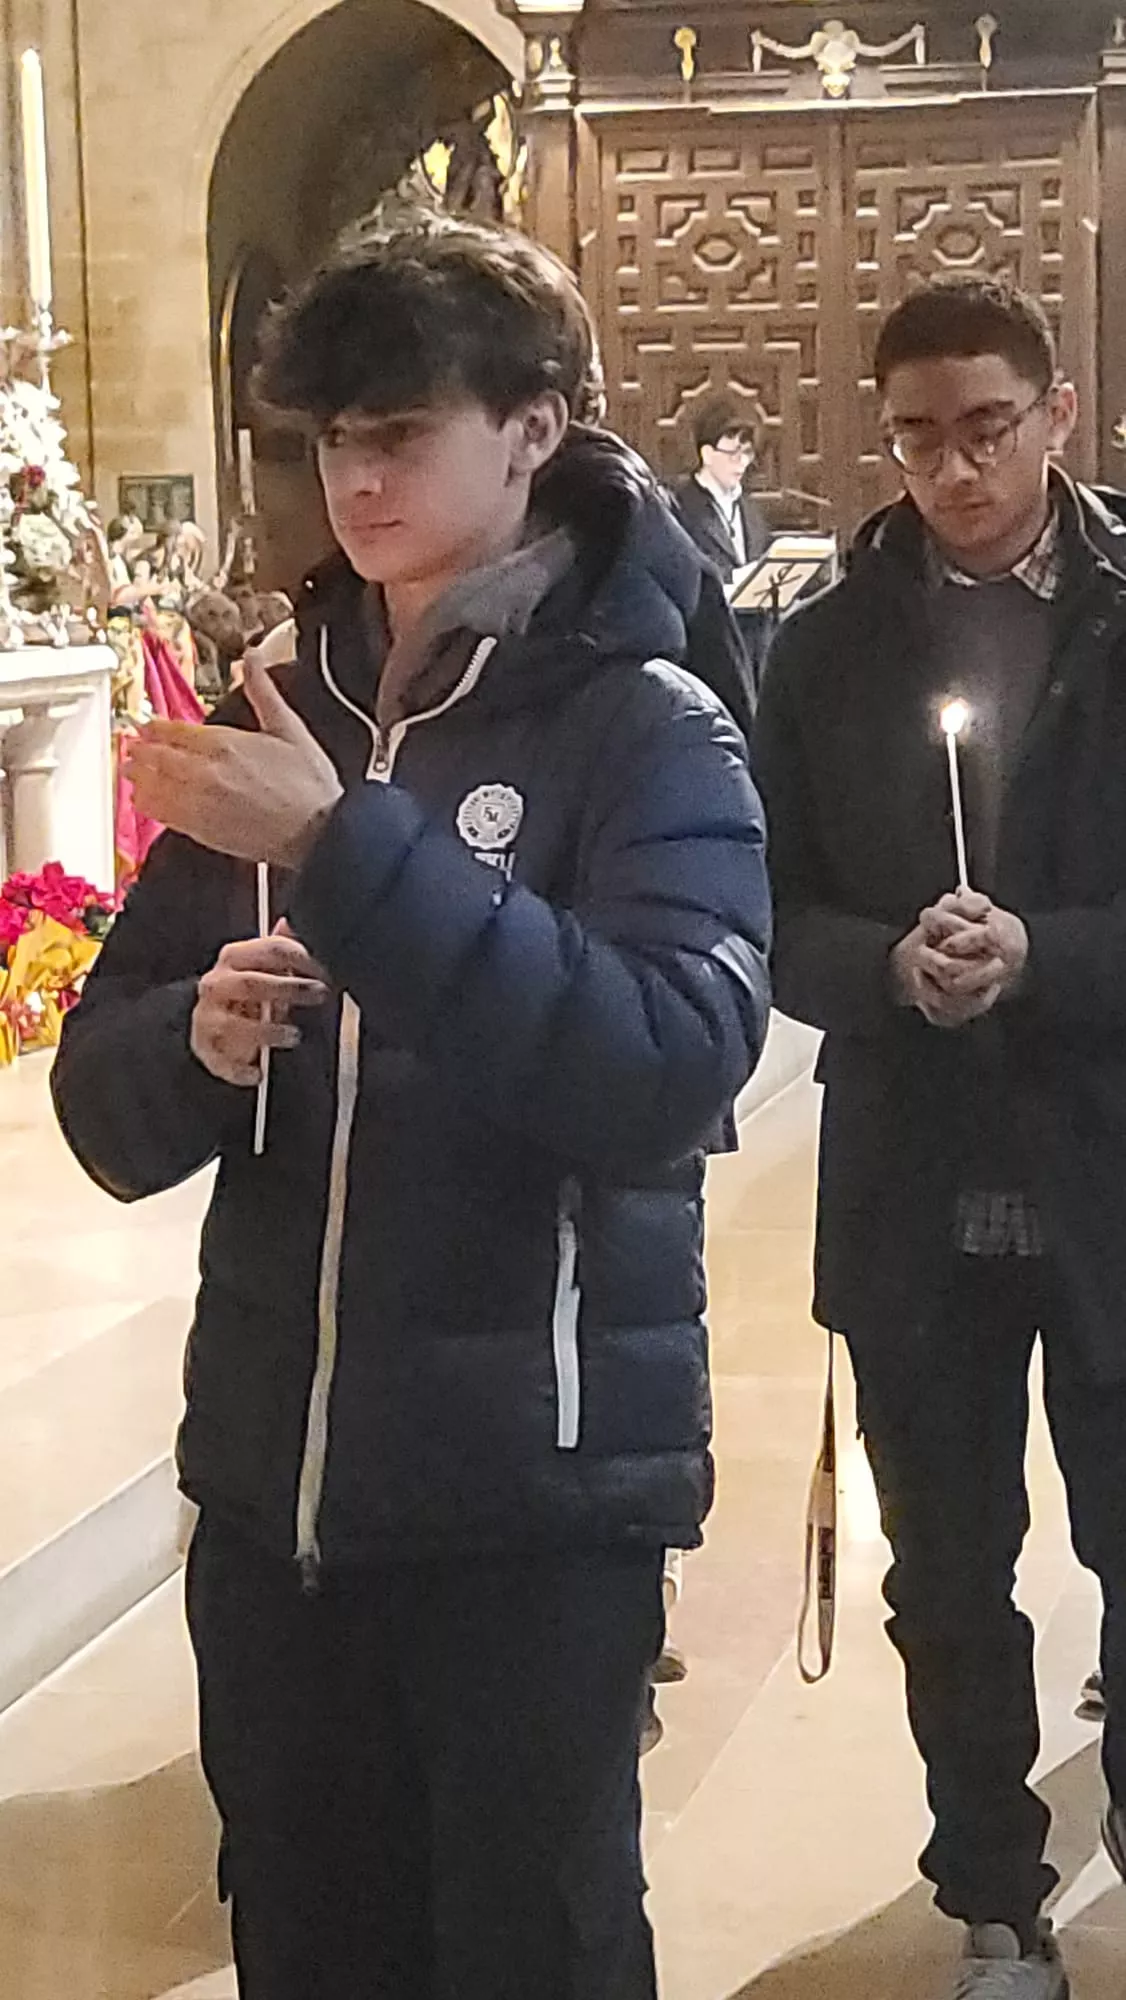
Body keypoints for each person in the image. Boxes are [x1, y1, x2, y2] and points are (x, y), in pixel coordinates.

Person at [52, 207, 771, 2000]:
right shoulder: (283, 708)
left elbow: (665, 1063)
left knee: (528, 1951)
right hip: (276, 1496)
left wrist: (347, 849)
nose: (353, 479)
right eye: (328, 440)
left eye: (400, 431)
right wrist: (194, 1049)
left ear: (531, 426)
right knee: (313, 1946)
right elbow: (103, 1094)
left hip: (529, 1500)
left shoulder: (645, 724)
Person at [755, 272, 1126, 1999]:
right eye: (917, 439)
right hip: (916, 1180)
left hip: (1107, 1165)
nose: (956, 472)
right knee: (951, 1574)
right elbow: (764, 912)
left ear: (1058, 413)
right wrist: (890, 964)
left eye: (988, 428)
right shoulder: (826, 649)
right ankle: (992, 1887)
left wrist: (1045, 956)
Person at [672, 396, 770, 586]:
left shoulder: (750, 508)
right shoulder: (680, 507)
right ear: (707, 454)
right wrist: (739, 578)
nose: (742, 462)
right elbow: (686, 572)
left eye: (747, 453)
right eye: (733, 453)